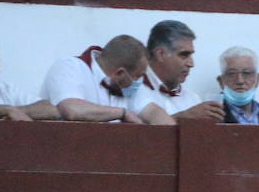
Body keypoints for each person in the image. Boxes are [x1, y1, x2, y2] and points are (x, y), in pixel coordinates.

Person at [40, 34, 170, 124]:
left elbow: (153, 111)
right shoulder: (69, 67)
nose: (140, 81)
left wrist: (168, 130)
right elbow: (72, 109)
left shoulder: (128, 87)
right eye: (138, 76)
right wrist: (122, 113)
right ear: (120, 73)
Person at [142, 20, 224, 121]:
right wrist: (182, 118)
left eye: (191, 55)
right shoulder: (131, 91)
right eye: (184, 55)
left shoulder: (192, 99)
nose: (191, 64)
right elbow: (126, 134)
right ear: (160, 54)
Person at [217, 45, 259, 124]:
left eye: (247, 73)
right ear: (221, 81)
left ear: (258, 79)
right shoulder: (213, 118)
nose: (240, 81)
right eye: (232, 73)